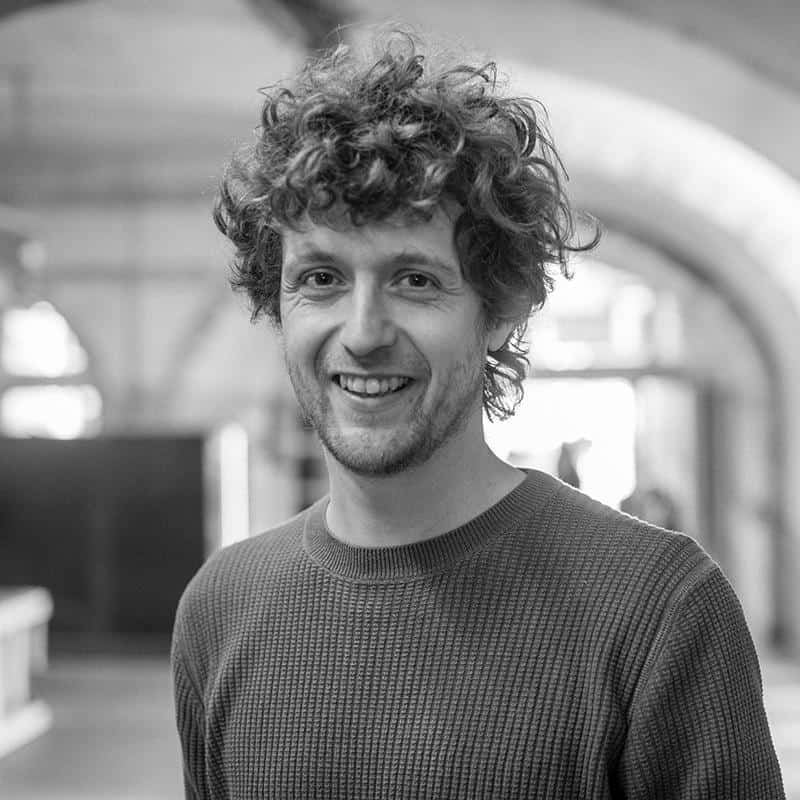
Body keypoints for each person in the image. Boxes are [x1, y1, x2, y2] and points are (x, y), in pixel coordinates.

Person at [171, 32, 785, 799]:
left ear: (500, 310)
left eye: (415, 280)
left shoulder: (658, 610)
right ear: (278, 304)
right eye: (321, 278)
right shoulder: (221, 608)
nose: (363, 333)